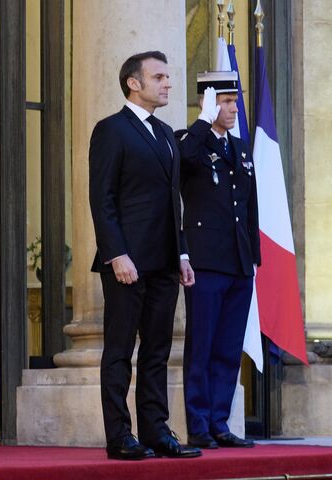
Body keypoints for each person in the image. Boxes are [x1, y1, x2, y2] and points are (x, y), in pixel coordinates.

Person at [89, 51, 200, 460]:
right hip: (126, 264)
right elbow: (102, 200)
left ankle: (157, 432)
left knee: (157, 351)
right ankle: (119, 436)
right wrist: (116, 253)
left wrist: (183, 254)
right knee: (120, 351)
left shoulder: (167, 134)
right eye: (159, 77)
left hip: (166, 260)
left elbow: (175, 202)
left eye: (167, 77)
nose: (167, 83)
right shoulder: (110, 130)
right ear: (133, 83)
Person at [175, 71, 261, 449]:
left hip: (239, 263)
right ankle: (198, 424)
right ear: (206, 103)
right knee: (202, 345)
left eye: (233, 101)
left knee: (228, 348)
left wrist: (254, 257)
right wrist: (201, 122)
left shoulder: (241, 149)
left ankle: (220, 423)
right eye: (224, 101)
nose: (231, 108)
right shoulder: (189, 141)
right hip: (206, 261)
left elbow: (250, 207)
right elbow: (180, 163)